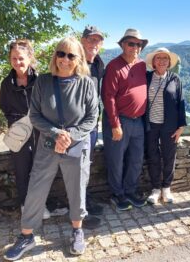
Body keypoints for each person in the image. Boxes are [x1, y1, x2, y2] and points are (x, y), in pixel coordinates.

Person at [3, 37, 98, 260]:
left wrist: (70, 136)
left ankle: (77, 231)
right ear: (55, 56)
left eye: (71, 55)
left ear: (79, 59)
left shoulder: (87, 83)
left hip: (76, 147)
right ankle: (26, 236)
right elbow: (35, 114)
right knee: (36, 190)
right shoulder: (44, 82)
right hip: (47, 144)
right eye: (61, 54)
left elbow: (92, 117)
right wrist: (56, 134)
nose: (65, 59)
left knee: (76, 190)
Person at [0, 39, 50, 220]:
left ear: (29, 58)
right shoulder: (6, 84)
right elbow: (4, 107)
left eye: (21, 58)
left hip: (39, 132)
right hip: (19, 133)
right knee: (21, 171)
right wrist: (18, 122)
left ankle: (40, 204)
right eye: (14, 58)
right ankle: (25, 206)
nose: (17, 62)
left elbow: (48, 105)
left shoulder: (41, 80)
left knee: (39, 170)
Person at [101, 28, 148, 211]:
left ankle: (130, 191)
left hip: (139, 121)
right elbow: (108, 96)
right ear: (122, 45)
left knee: (136, 159)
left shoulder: (142, 65)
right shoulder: (113, 66)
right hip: (120, 120)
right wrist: (115, 124)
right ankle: (117, 194)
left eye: (138, 44)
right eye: (131, 43)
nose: (135, 47)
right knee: (116, 159)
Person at [145, 48, 187, 204]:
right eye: (158, 58)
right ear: (153, 62)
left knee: (169, 156)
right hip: (151, 125)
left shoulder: (174, 79)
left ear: (169, 62)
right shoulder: (147, 77)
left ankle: (166, 188)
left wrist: (181, 126)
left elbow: (181, 103)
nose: (162, 60)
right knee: (152, 156)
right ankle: (155, 189)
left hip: (169, 126)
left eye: (165, 58)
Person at [80, 26, 105, 228]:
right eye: (91, 40)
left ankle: (85, 201)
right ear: (82, 40)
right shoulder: (73, 62)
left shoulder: (98, 64)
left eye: (98, 41)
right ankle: (80, 212)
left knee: (86, 165)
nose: (94, 44)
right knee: (78, 168)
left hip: (93, 125)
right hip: (77, 126)